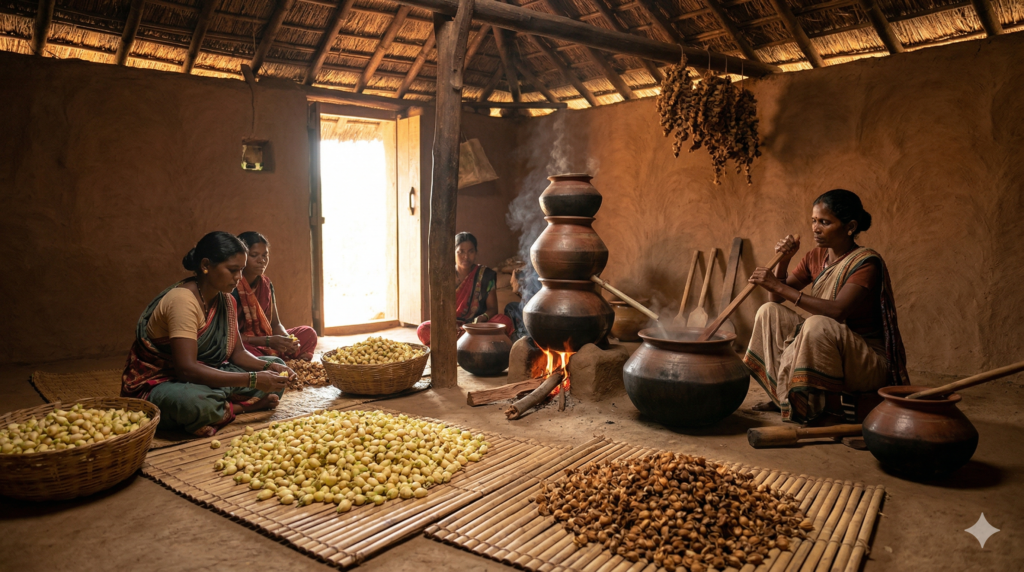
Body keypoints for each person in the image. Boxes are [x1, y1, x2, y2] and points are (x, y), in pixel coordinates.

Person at [743, 189, 909, 425]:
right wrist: (784, 260)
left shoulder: (866, 263)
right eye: (813, 220)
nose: (815, 228)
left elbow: (837, 312)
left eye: (825, 222)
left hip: (865, 361)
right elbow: (775, 299)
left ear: (850, 226)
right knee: (768, 312)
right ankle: (783, 396)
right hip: (829, 343)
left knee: (818, 323)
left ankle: (831, 411)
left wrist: (778, 286)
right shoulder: (816, 256)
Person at [122, 231, 293, 437]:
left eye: (240, 270)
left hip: (208, 373)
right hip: (164, 381)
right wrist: (253, 380)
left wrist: (270, 367)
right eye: (232, 270)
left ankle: (221, 404)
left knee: (279, 369)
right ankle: (240, 407)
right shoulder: (183, 301)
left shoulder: (226, 300)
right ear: (205, 265)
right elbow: (186, 370)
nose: (238, 278)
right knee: (195, 402)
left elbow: (238, 354)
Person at [417, 232, 515, 345]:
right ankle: (471, 343)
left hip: (477, 326)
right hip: (451, 326)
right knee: (423, 329)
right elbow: (439, 308)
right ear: (453, 253)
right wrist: (449, 323)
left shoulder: (485, 275)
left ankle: (458, 344)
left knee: (504, 321)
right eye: (461, 252)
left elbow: (493, 308)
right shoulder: (445, 275)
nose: (466, 257)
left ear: (476, 252)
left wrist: (482, 318)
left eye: (471, 251)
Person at [232, 231, 318, 360]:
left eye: (265, 255)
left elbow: (275, 324)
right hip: (243, 343)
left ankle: (287, 364)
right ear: (241, 257)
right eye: (254, 255)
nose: (262, 260)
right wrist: (268, 341)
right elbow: (230, 335)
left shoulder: (266, 284)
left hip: (267, 340)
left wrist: (287, 339)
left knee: (308, 333)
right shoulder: (231, 286)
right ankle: (275, 363)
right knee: (245, 353)